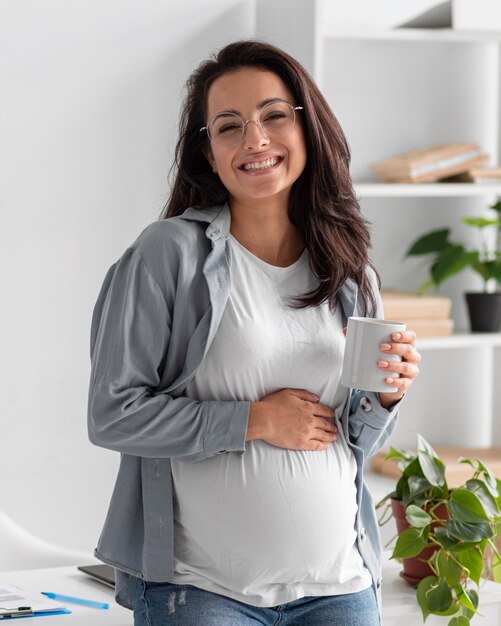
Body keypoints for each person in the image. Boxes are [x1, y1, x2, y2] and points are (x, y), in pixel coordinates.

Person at [88, 40, 421, 626]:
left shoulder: (349, 266)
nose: (256, 140)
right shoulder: (167, 254)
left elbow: (352, 437)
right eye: (229, 126)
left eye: (273, 116)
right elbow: (113, 414)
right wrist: (255, 420)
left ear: (307, 128)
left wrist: (387, 395)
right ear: (208, 153)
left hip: (341, 585)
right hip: (202, 592)